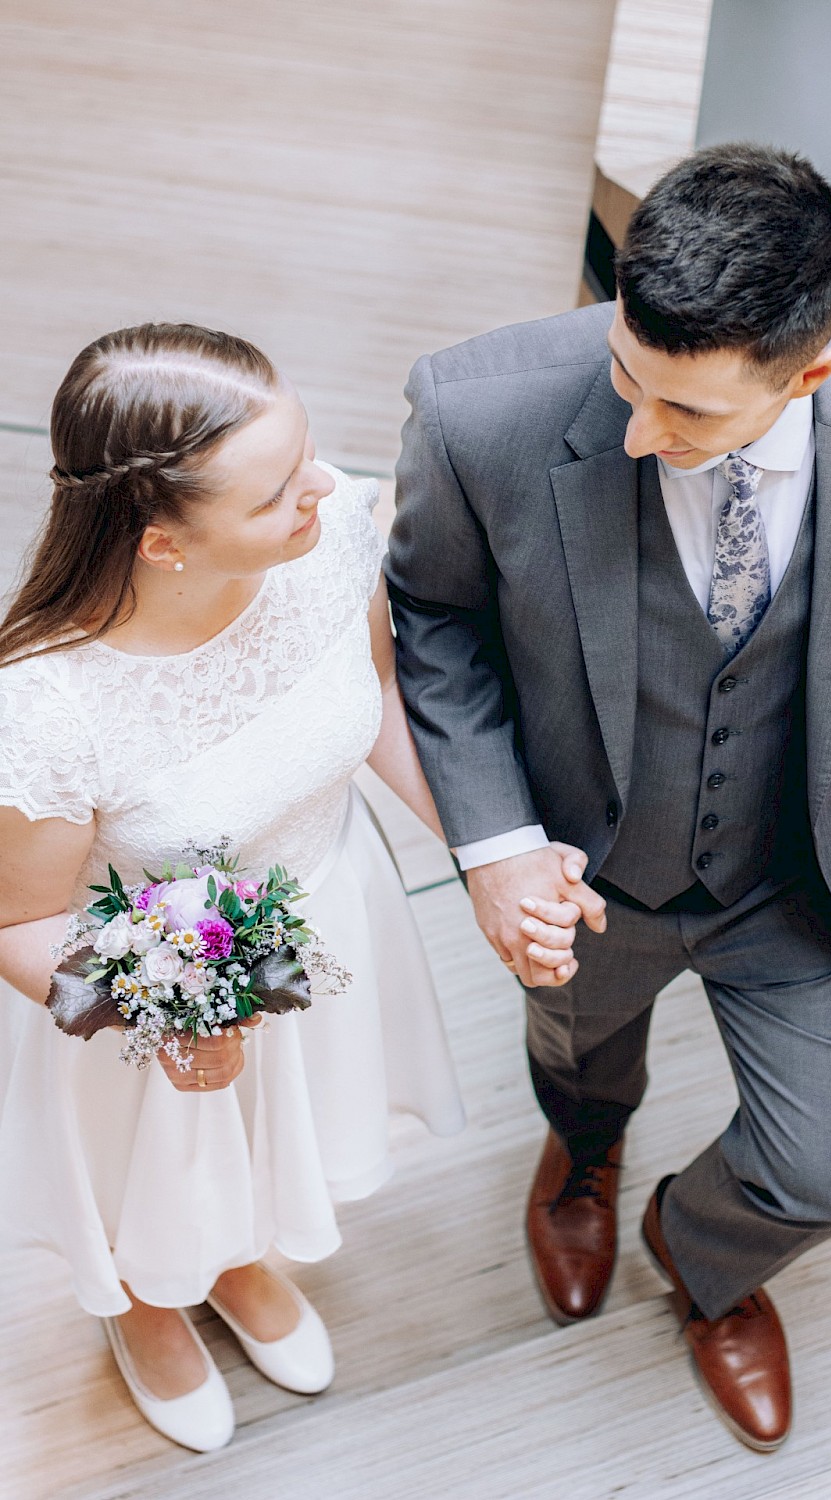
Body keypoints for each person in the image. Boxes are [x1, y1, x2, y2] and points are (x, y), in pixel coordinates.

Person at [386, 144, 831, 1451]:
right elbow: (432, 617)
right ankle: (586, 1148)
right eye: (626, 374)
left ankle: (700, 1253)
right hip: (583, 867)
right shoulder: (471, 411)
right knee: (578, 1055)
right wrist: (492, 844)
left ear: (814, 371)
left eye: (692, 415)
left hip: (806, 870)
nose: (634, 431)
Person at [0, 323, 582, 1452]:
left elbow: (371, 708)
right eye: (277, 492)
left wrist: (489, 855)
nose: (324, 485)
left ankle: (235, 1258)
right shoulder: (47, 710)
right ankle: (149, 1300)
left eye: (307, 451)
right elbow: (20, 919)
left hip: (323, 905)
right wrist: (154, 1014)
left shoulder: (327, 539)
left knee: (282, 1135)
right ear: (166, 544)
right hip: (147, 981)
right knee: (156, 1164)